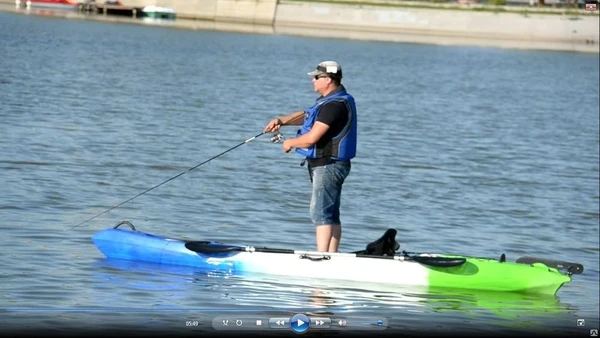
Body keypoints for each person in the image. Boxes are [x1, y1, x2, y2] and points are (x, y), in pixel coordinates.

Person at [263, 61, 357, 253]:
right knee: (330, 213)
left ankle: (322, 257)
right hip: (329, 164)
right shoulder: (330, 101)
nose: (313, 80)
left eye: (316, 77)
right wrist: (282, 120)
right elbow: (308, 116)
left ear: (328, 80)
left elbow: (312, 138)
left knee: (320, 212)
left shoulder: (334, 106)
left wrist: (290, 143)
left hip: (328, 164)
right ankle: (331, 255)